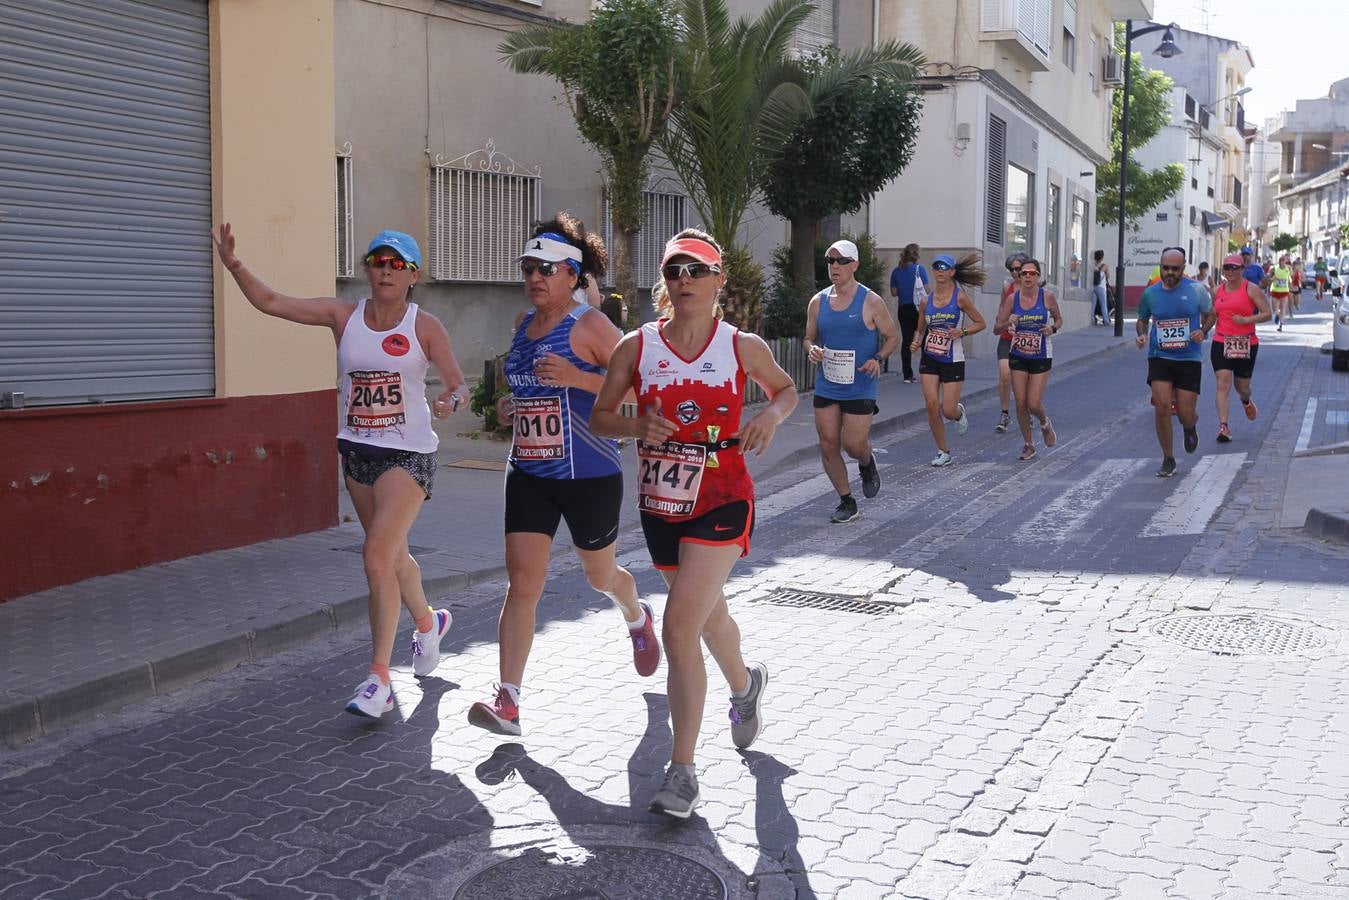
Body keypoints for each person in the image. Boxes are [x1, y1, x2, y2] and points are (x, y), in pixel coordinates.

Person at [211, 224, 467, 718]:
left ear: (413, 275)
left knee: (374, 555)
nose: (386, 270)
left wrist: (450, 399)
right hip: (356, 454)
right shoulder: (342, 316)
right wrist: (236, 267)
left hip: (408, 456)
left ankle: (378, 678)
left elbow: (456, 382)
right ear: (367, 268)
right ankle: (427, 623)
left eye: (398, 264)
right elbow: (272, 303)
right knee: (393, 558)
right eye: (378, 261)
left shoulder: (424, 325)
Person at [591, 228, 798, 819]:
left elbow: (784, 392)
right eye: (675, 271)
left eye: (695, 271)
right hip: (662, 506)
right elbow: (602, 416)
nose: (684, 281)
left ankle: (682, 773)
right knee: (709, 616)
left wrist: (770, 418)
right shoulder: (637, 346)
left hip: (723, 496)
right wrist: (636, 428)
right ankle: (746, 685)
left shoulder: (740, 345)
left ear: (717, 282)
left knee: (680, 628)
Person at [467, 213, 660, 738]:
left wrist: (578, 376)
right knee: (523, 584)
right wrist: (511, 405)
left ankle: (635, 614)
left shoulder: (592, 327)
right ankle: (508, 700)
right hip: (529, 470)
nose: (535, 277)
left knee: (601, 576)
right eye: (529, 267)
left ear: (572, 276)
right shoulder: (521, 327)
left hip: (590, 473)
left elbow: (643, 392)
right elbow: (533, 391)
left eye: (547, 269)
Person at [806, 239, 901, 523]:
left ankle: (866, 460)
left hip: (860, 382)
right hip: (828, 382)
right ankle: (847, 500)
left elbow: (893, 336)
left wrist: (879, 358)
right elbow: (808, 336)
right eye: (830, 261)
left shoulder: (870, 300)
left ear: (855, 265)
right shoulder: (818, 301)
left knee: (853, 444)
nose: (834, 266)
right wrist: (811, 349)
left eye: (841, 261)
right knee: (827, 443)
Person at [1136, 247, 1215, 478]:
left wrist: (1202, 331)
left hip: (1189, 358)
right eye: (1165, 268)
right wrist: (1141, 334)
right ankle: (1168, 458)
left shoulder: (1197, 290)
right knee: (1161, 407)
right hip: (1159, 356)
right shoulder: (1150, 293)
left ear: (1183, 268)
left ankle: (1189, 426)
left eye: (1175, 269)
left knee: (1184, 413)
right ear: (1160, 266)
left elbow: (1212, 314)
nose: (1169, 272)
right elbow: (1142, 319)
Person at [911, 253, 987, 467]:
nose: (940, 270)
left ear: (952, 271)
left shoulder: (960, 297)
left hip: (953, 358)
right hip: (930, 358)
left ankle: (958, 412)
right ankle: (943, 451)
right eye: (936, 267)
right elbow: (920, 328)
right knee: (931, 405)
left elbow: (981, 323)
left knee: (948, 410)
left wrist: (961, 332)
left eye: (945, 267)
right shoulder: (926, 301)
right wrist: (916, 342)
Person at [995, 258, 1062, 461]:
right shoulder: (1012, 299)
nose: (1027, 276)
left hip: (1041, 353)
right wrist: (1008, 322)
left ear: (1038, 276)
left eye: (1032, 273)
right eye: (1024, 273)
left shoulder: (1047, 297)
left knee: (1033, 403)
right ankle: (1029, 445)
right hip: (1019, 354)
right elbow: (996, 329)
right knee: (1020, 402)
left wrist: (1053, 328)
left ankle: (1044, 423)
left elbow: (1059, 319)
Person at [1211, 253, 1271, 443]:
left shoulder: (1251, 289)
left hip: (1246, 342)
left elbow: (1267, 313)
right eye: (1227, 267)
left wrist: (1246, 320)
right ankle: (1224, 427)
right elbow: (1214, 314)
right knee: (1223, 383)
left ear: (1241, 269)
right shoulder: (1217, 290)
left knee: (1242, 387)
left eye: (1234, 267)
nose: (1230, 271)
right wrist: (1202, 330)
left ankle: (1246, 400)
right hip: (1221, 340)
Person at [994, 253, 1028, 432]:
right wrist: (1000, 319)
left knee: (1023, 379)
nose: (1015, 272)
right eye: (1012, 269)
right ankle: (1005, 414)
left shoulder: (1032, 289)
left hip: (1026, 340)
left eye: (1018, 269)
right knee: (1005, 374)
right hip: (1007, 337)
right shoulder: (1007, 287)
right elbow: (1002, 307)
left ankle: (1025, 411)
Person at [888, 243, 929, 383]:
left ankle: (907, 375)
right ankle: (926, 370)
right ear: (916, 255)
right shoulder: (920, 269)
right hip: (919, 309)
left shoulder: (896, 271)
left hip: (903, 309)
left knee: (907, 341)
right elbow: (927, 291)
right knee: (925, 338)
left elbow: (894, 293)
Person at [1269, 255, 1292, 330]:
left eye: (1283, 260)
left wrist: (1290, 282)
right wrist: (1272, 278)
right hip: (1275, 290)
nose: (1281, 262)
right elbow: (1269, 277)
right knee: (1274, 309)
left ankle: (1280, 324)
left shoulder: (1288, 268)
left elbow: (1290, 276)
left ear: (1285, 261)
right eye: (1280, 260)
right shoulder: (1274, 268)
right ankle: (1277, 315)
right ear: (1278, 261)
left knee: (1283, 307)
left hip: (1284, 291)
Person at [1092, 250, 1113, 326]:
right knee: (1103, 304)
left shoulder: (1092, 265)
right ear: (1102, 257)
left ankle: (1092, 319)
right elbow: (1108, 276)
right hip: (1101, 287)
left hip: (1093, 286)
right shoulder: (1105, 266)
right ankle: (1106, 321)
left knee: (1093, 304)